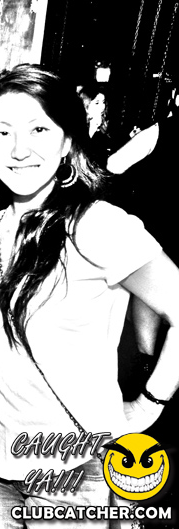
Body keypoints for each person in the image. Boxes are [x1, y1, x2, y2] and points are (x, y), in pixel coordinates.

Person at [0, 63, 179, 527]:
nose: (19, 149)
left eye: (39, 129)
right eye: (2, 132)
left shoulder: (97, 225)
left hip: (69, 470)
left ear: (67, 142)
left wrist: (149, 404)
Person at [107, 89, 179, 360]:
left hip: (160, 227)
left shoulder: (162, 130)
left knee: (150, 296)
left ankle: (145, 363)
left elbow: (114, 164)